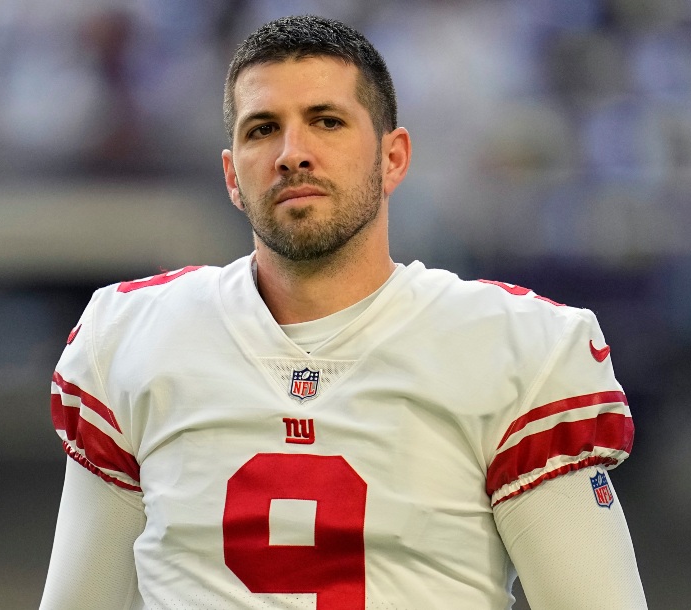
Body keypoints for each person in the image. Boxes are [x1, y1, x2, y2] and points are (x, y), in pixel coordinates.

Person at [41, 14, 647, 610]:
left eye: (326, 122)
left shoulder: (515, 351)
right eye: (261, 129)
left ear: (393, 158)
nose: (292, 153)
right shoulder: (133, 338)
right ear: (231, 174)